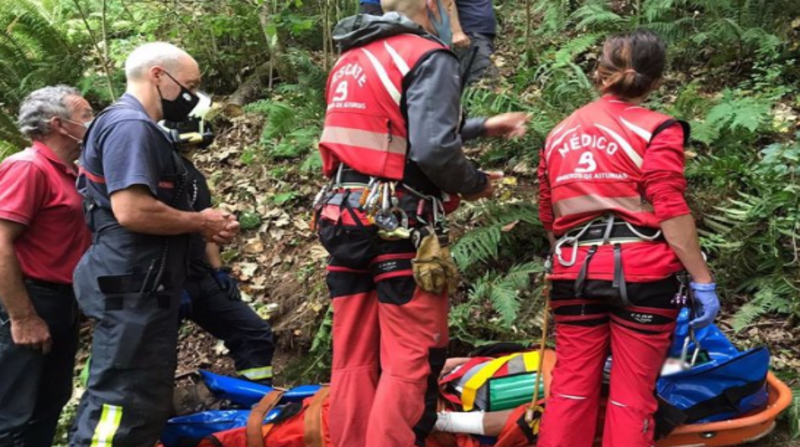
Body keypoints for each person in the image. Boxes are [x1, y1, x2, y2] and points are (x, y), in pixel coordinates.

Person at [315, 1, 529, 446]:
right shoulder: (426, 54)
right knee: (410, 358)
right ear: (436, 4)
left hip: (342, 216)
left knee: (354, 357)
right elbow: (431, 149)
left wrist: (483, 126)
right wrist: (473, 184)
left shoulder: (352, 58)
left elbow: (395, 125)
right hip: (397, 225)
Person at [535, 30, 720, 447]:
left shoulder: (558, 134)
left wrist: (568, 259)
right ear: (655, 82)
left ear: (599, 74)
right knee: (631, 397)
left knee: (570, 388)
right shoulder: (658, 128)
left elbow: (549, 213)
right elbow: (669, 205)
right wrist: (702, 280)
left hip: (572, 270)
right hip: (644, 273)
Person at [71, 42, 240, 446]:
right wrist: (200, 222)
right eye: (192, 85)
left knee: (142, 397)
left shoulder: (133, 126)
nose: (196, 97)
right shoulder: (131, 127)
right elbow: (131, 210)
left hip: (142, 286)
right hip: (133, 286)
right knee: (121, 402)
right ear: (159, 77)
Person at [0, 86, 93, 447]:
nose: (93, 121)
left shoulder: (70, 171)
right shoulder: (27, 168)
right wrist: (22, 316)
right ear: (59, 124)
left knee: (48, 403)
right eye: (85, 115)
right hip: (28, 301)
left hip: (61, 304)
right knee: (11, 413)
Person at [168, 109, 276, 385]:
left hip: (200, 275)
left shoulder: (193, 175)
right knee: (154, 354)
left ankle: (254, 405)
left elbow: (206, 227)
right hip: (165, 281)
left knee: (253, 332)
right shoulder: (155, 174)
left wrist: (218, 271)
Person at [449, 0, 497, 83]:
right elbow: (446, 2)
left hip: (482, 34)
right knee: (484, 81)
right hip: (470, 35)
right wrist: (456, 31)